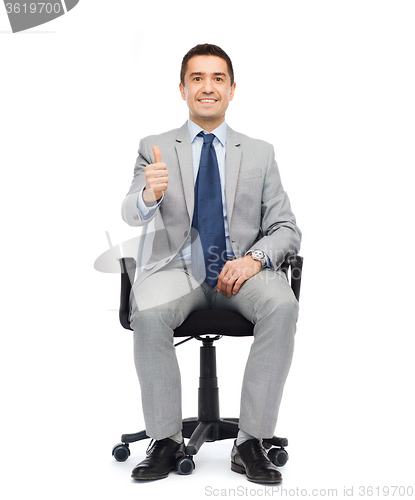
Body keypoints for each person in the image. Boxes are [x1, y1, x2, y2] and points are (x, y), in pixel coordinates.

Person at [121, 43, 301, 483]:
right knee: (148, 312)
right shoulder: (155, 147)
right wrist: (150, 194)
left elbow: (286, 228)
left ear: (232, 89)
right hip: (178, 271)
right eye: (197, 78)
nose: (207, 87)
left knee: (282, 307)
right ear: (182, 88)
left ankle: (251, 442)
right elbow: (129, 212)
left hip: (243, 271)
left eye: (217, 78)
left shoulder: (259, 152)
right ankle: (164, 441)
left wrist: (255, 259)